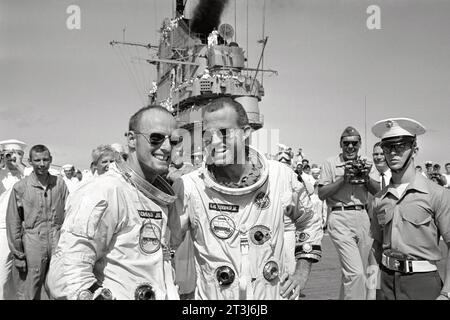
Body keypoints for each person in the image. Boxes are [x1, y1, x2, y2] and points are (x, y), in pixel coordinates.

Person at [170, 97, 321, 300]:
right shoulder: (191, 187)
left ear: (246, 133)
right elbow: (164, 244)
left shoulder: (280, 178)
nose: (214, 142)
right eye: (207, 135)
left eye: (224, 132)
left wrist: (301, 273)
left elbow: (309, 220)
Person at [46, 105, 182, 300]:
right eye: (156, 138)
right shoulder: (105, 191)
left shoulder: (157, 198)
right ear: (132, 140)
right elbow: (67, 275)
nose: (167, 147)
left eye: (174, 140)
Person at [370, 117, 450, 300]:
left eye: (400, 146)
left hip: (422, 284)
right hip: (386, 282)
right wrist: (371, 289)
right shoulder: (379, 199)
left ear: (414, 150)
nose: (392, 153)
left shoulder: (437, 194)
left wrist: (447, 293)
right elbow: (375, 248)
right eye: (387, 147)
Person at [318, 126, 379, 300]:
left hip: (362, 217)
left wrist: (366, 176)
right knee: (356, 273)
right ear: (341, 144)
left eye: (354, 143)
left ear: (360, 144)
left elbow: (378, 191)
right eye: (346, 143)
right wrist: (343, 179)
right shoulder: (330, 163)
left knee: (357, 273)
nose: (350, 147)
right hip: (340, 216)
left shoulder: (367, 162)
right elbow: (321, 193)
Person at [6, 144, 69, 300]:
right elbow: (13, 223)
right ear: (30, 161)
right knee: (29, 290)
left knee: (59, 288)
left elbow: (70, 214)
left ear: (51, 160)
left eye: (45, 160)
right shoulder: (20, 187)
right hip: (32, 244)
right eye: (37, 160)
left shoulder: (60, 184)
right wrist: (19, 255)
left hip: (57, 241)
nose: (42, 164)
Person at [0, 139, 27, 299]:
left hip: (25, 230)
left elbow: (36, 177)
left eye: (16, 154)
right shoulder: (2, 175)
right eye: (7, 154)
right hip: (3, 230)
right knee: (3, 275)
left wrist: (18, 164)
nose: (11, 158)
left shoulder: (27, 174)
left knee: (23, 279)